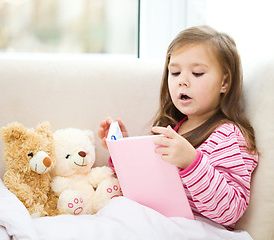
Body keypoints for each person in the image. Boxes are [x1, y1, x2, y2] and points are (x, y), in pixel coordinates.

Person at [98, 25, 258, 229]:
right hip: (158, 221)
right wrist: (123, 149)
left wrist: (193, 163)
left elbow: (230, 211)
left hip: (197, 229)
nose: (182, 81)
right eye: (175, 72)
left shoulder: (228, 136)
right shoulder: (173, 129)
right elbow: (144, 187)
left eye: (197, 73)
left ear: (224, 82)